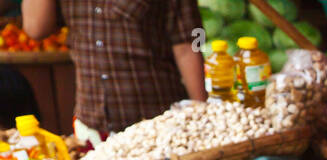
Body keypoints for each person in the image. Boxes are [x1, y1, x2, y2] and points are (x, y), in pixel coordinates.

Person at [22, 0, 206, 139]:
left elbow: (189, 43)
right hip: (92, 124)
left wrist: (202, 112)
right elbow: (35, 28)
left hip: (159, 122)